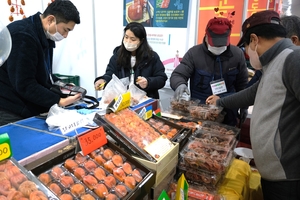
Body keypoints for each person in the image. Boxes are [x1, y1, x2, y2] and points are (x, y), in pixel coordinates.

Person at [206, 10, 300, 199]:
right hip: (274, 174)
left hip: (288, 178)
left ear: (255, 40)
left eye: (248, 45)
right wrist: (221, 101)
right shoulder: (274, 63)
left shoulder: (293, 59)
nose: (248, 52)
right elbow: (251, 93)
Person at [0, 0, 81, 126]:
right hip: (10, 108)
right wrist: (59, 101)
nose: (65, 36)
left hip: (24, 103)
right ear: (50, 20)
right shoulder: (23, 36)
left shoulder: (44, 36)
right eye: (66, 30)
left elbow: (45, 74)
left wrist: (64, 87)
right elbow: (25, 84)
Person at [170, 17, 248, 126]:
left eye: (221, 44)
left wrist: (244, 107)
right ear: (206, 36)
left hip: (228, 110)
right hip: (200, 112)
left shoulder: (237, 55)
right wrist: (179, 84)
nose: (218, 47)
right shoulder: (194, 53)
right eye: (215, 43)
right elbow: (178, 74)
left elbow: (242, 84)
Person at [94, 22, 167, 99]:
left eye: (133, 39)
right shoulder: (117, 56)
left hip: (144, 100)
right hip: (122, 101)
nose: (128, 41)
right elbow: (110, 74)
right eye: (126, 37)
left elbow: (161, 79)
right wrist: (103, 80)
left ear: (141, 41)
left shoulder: (151, 57)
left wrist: (148, 82)